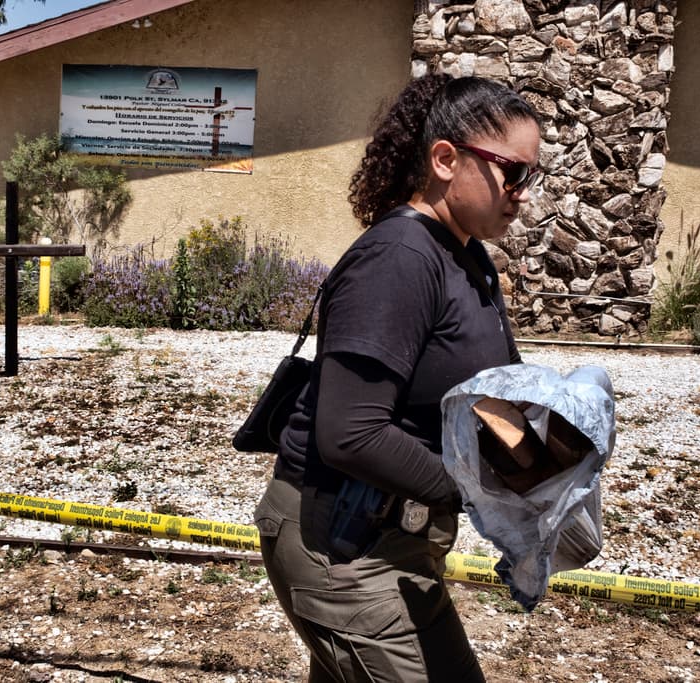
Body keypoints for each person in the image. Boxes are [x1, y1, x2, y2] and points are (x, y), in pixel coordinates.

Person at [253, 74, 542, 682]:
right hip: (342, 546)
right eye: (511, 172)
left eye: (530, 177)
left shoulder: (466, 257)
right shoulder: (400, 259)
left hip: (395, 544)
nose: (522, 193)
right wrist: (479, 493)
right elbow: (351, 433)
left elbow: (484, 393)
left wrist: (545, 468)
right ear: (445, 159)